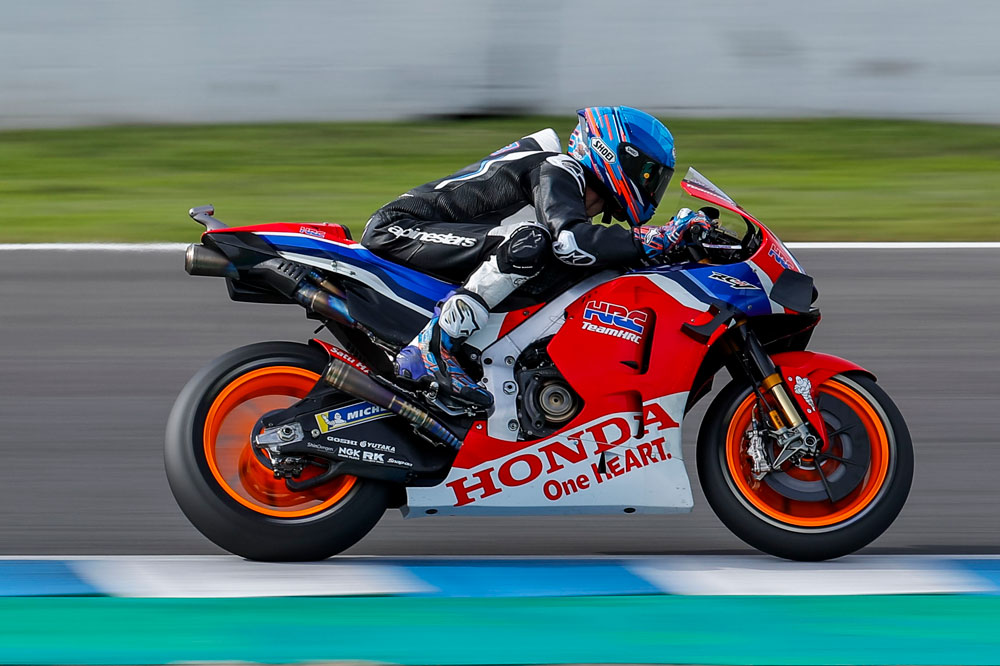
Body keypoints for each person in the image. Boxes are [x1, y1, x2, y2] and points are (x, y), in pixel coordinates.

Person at [361, 106, 711, 409]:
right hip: (400, 228)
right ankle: (434, 348)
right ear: (617, 154)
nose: (652, 188)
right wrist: (657, 237)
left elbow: (589, 248)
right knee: (531, 241)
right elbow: (570, 241)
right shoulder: (557, 167)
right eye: (648, 175)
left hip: (444, 241)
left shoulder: (571, 192)